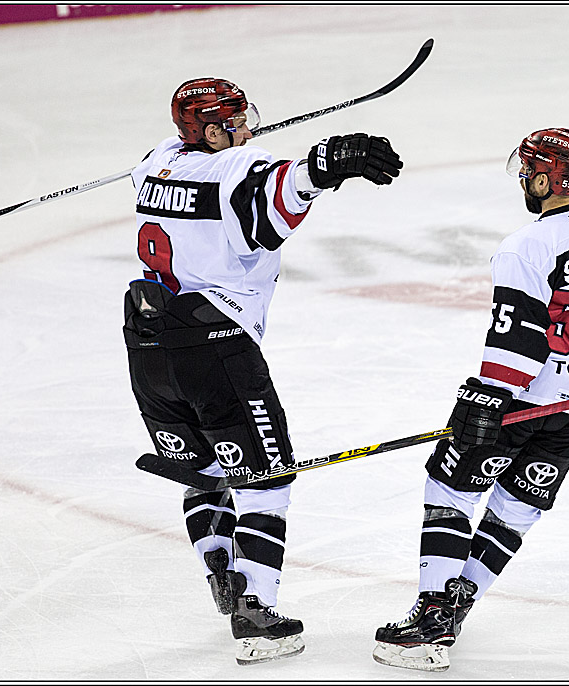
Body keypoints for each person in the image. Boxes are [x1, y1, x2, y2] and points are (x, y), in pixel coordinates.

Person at [123, 77, 403, 665]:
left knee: (204, 471)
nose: (250, 125)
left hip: (148, 343)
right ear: (216, 129)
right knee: (265, 477)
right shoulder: (237, 169)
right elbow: (280, 192)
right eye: (238, 119)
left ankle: (222, 573)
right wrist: (333, 161)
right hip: (215, 347)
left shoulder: (154, 164)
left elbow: (202, 174)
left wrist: (220, 146)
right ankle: (254, 609)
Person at [372, 128, 569, 672]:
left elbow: (519, 337)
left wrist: (487, 398)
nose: (523, 178)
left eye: (528, 170)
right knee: (517, 506)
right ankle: (458, 600)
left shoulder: (525, 245)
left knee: (449, 487)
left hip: (524, 399)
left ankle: (431, 621)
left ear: (544, 178)